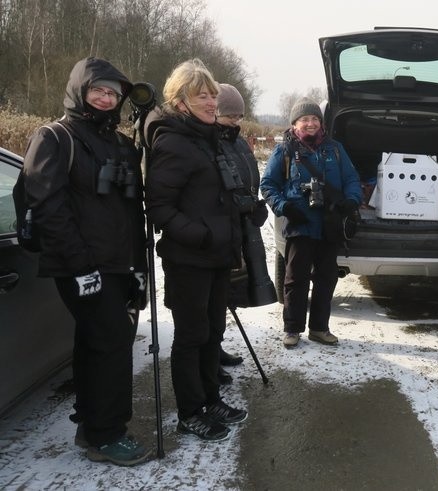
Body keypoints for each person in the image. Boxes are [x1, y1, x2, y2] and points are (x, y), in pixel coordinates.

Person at [21, 57, 151, 465]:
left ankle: (90, 423)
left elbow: (131, 211)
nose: (106, 98)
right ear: (80, 90)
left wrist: (139, 267)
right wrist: (81, 267)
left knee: (96, 342)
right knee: (112, 342)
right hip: (79, 264)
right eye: (99, 90)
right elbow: (48, 206)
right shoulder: (55, 138)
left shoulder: (120, 144)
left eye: (113, 93)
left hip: (116, 263)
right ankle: (107, 435)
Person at [144, 59, 247, 442]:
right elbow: (159, 207)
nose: (211, 102)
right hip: (190, 259)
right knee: (191, 336)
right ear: (181, 101)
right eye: (201, 95)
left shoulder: (205, 137)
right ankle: (190, 411)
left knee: (213, 331)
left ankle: (210, 398)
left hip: (217, 256)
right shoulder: (172, 142)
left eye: (212, 95)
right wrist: (201, 235)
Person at [260, 97, 362, 348]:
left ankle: (319, 328)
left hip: (329, 225)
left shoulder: (335, 149)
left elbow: (352, 179)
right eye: (304, 119)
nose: (310, 123)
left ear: (321, 122)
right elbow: (268, 185)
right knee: (296, 279)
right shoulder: (283, 151)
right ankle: (292, 329)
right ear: (295, 124)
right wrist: (285, 208)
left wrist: (350, 201)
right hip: (299, 225)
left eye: (315, 119)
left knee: (326, 278)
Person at [215, 83, 274, 384]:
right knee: (217, 293)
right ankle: (210, 354)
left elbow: (248, 176)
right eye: (230, 116)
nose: (236, 121)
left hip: (242, 227)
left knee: (231, 291)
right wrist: (244, 204)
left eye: (239, 115)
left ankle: (217, 347)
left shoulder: (238, 142)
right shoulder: (211, 142)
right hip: (222, 227)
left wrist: (254, 204)